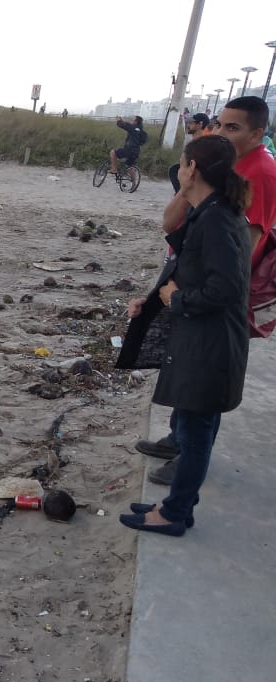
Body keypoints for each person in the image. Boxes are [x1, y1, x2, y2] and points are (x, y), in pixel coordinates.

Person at [116, 135, 252, 536]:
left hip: (210, 345)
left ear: (192, 169)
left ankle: (174, 514)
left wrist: (176, 299)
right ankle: (176, 504)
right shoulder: (208, 210)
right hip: (204, 339)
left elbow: (225, 289)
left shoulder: (218, 218)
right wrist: (152, 299)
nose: (179, 166)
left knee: (195, 434)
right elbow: (186, 267)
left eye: (182, 161)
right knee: (197, 428)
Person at [141, 96, 276, 484]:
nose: (222, 133)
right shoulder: (218, 165)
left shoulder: (261, 174)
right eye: (220, 124)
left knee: (204, 383)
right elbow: (173, 224)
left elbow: (244, 248)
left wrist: (193, 295)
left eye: (233, 128)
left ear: (258, 133)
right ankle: (176, 439)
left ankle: (187, 461)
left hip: (213, 296)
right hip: (192, 280)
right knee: (187, 373)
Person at [169, 112, 210, 191]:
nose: (188, 125)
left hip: (194, 176)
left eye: (191, 123)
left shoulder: (203, 143)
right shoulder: (193, 141)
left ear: (200, 124)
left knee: (174, 170)